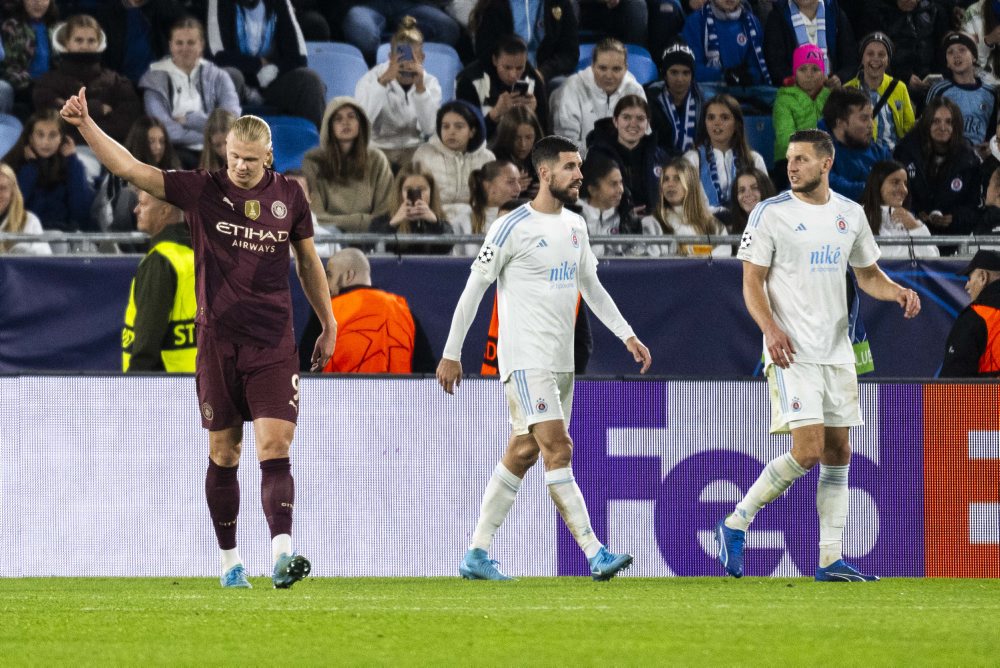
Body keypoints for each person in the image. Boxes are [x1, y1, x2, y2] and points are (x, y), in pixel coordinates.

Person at [60, 87, 338, 590]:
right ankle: (231, 561)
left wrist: (328, 320)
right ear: (224, 152)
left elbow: (308, 263)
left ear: (269, 157)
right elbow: (129, 168)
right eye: (234, 158)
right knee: (224, 453)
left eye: (251, 160)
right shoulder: (202, 189)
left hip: (273, 343)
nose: (242, 168)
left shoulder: (290, 197)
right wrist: (85, 127)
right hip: (216, 345)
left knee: (275, 444)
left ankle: (282, 554)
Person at [436, 135, 653, 581]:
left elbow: (590, 285)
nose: (579, 175)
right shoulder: (511, 227)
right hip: (524, 358)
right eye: (572, 168)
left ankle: (475, 554)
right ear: (546, 173)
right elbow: (473, 289)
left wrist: (627, 334)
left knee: (523, 451)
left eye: (579, 167)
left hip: (561, 359)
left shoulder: (575, 225)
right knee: (560, 447)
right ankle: (594, 552)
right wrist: (451, 353)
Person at [716, 128, 921, 582]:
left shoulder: (849, 214)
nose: (792, 166)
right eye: (790, 159)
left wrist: (897, 293)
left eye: (802, 159)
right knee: (807, 450)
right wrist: (770, 329)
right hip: (791, 351)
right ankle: (736, 521)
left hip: (837, 351)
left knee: (839, 450)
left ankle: (830, 559)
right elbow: (751, 282)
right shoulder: (770, 214)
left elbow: (867, 275)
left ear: (826, 164)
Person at [298, 247, 436, 373]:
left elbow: (304, 369)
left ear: (348, 276)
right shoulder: (403, 311)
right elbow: (426, 370)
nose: (326, 283)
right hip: (397, 397)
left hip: (339, 397)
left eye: (329, 276)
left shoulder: (328, 311)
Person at [204, 0, 326, 128]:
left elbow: (299, 58)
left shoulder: (281, 3)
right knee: (228, 76)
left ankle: (316, 145)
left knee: (309, 81)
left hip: (270, 81)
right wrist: (258, 64)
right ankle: (221, 145)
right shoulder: (218, 2)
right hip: (238, 82)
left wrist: (274, 69)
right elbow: (217, 56)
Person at [138, 16, 241, 167]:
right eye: (179, 43)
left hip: (218, 148)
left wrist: (190, 120)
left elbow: (231, 119)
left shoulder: (218, 76)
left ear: (201, 45)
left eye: (191, 43)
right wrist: (209, 136)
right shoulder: (153, 80)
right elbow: (164, 129)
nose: (185, 48)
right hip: (177, 150)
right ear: (171, 45)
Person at [33, 14, 141, 147]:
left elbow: (126, 123)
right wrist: (96, 109)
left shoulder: (117, 81)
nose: (85, 46)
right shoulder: (47, 82)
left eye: (91, 41)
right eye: (78, 40)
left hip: (111, 151)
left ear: (99, 43)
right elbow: (52, 122)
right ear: (66, 43)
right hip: (66, 149)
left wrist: (78, 118)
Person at [892, 96, 982, 249]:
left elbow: (974, 209)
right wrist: (915, 213)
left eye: (948, 122)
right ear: (927, 123)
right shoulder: (906, 152)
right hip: (909, 238)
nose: (942, 127)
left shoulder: (969, 160)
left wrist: (953, 218)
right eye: (936, 121)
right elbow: (893, 196)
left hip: (953, 241)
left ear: (957, 125)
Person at [121, 190, 196, 372]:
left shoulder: (161, 260)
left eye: (143, 204)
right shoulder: (198, 252)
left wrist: (134, 385)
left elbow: (148, 337)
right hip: (199, 381)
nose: (136, 210)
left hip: (164, 385)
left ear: (164, 211)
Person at [353, 16, 442, 168]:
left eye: (413, 58)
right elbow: (362, 123)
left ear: (422, 58)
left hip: (414, 149)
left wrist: (420, 90)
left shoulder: (430, 83)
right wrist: (382, 83)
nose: (407, 65)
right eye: (401, 57)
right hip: (377, 149)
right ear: (390, 57)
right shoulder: (370, 79)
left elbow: (429, 129)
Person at [302, 97, 393, 234]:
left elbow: (384, 214)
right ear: (329, 126)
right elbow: (316, 217)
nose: (345, 122)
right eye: (338, 119)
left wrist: (369, 225)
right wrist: (362, 221)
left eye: (351, 117)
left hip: (372, 236)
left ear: (360, 123)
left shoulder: (377, 159)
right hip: (329, 236)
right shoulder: (312, 161)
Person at [3, 108, 95, 234]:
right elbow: (11, 211)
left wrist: (73, 162)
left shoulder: (71, 166)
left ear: (62, 138)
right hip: (21, 235)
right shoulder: (12, 167)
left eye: (52, 135)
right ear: (30, 138)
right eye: (40, 135)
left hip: (61, 235)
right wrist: (31, 169)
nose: (45, 142)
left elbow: (81, 212)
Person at [551, 38, 646, 155]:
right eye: (602, 68)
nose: (609, 75)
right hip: (583, 166)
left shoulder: (635, 90)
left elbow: (644, 136)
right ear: (593, 66)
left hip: (625, 163)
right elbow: (565, 145)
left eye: (616, 69)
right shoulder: (572, 88)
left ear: (625, 69)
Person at [92, 115, 180, 239]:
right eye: (151, 142)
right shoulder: (118, 174)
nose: (158, 147)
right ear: (140, 143)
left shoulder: (172, 175)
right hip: (125, 242)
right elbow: (101, 212)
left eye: (162, 141)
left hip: (165, 240)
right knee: (126, 196)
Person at [411, 100, 496, 217]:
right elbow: (415, 195)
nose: (451, 132)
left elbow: (491, 199)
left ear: (472, 132)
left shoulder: (487, 158)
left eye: (459, 127)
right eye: (445, 127)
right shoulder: (424, 154)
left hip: (475, 220)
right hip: (434, 218)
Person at [683, 94, 768, 211]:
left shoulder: (754, 159)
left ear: (737, 124)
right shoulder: (691, 160)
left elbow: (765, 201)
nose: (716, 123)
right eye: (711, 118)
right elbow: (687, 205)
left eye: (724, 117)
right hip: (706, 226)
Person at [586, 95, 667, 216]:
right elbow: (589, 198)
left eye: (640, 118)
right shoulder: (597, 156)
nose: (633, 124)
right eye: (626, 117)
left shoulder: (660, 157)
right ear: (615, 121)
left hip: (655, 226)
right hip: (610, 227)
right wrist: (623, 215)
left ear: (647, 123)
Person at [456, 34, 549, 140]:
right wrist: (495, 114)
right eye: (507, 67)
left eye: (519, 68)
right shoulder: (468, 80)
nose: (513, 75)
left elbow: (545, 135)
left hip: (521, 148)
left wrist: (532, 115)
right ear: (495, 60)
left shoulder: (533, 78)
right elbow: (466, 139)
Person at [860, 0, 949, 102]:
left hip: (929, 85)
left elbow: (942, 52)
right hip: (890, 84)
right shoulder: (874, 12)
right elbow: (871, 56)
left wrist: (934, 78)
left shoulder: (934, 11)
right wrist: (904, 76)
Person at [470, 0, 580, 83]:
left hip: (546, 77)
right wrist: (512, 73)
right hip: (502, 79)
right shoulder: (493, 5)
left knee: (565, 87)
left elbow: (570, 52)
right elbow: (485, 53)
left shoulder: (558, 2)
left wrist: (543, 72)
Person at [643, 157, 731, 256]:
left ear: (690, 184)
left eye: (677, 179)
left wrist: (691, 252)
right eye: (666, 179)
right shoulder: (652, 222)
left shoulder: (713, 225)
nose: (670, 184)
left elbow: (723, 255)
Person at [843, 32, 915, 152]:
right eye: (870, 54)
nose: (875, 58)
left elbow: (910, 128)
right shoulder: (847, 90)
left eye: (881, 54)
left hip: (893, 157)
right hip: (859, 155)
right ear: (862, 58)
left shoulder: (899, 87)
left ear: (888, 60)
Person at [926, 32, 998, 150]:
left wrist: (988, 149)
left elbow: (992, 134)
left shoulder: (990, 93)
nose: (956, 55)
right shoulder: (939, 90)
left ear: (974, 57)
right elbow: (926, 128)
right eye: (950, 52)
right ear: (947, 62)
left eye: (962, 50)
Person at [764, 0, 858, 87]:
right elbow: (776, 66)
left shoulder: (834, 12)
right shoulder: (778, 16)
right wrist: (800, 82)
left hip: (832, 90)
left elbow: (850, 59)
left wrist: (839, 78)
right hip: (795, 93)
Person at [579, 150, 656, 256]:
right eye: (613, 184)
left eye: (621, 183)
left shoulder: (629, 220)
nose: (621, 190)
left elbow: (639, 256)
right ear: (593, 190)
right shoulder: (571, 218)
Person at [368, 162, 455, 254]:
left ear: (431, 191)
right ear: (400, 192)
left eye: (421, 189)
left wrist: (435, 223)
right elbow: (371, 247)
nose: (415, 195)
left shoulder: (441, 221)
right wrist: (392, 224)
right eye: (408, 190)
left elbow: (447, 247)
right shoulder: (382, 221)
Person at [681, 0, 772, 88]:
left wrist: (748, 76)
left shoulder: (752, 23)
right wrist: (724, 74)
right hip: (708, 93)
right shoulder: (696, 21)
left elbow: (757, 69)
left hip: (745, 92)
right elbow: (692, 69)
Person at [823, 86, 892, 201]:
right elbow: (832, 187)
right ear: (840, 123)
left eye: (871, 117)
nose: (871, 125)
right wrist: (875, 189)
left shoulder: (880, 153)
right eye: (864, 119)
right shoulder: (816, 155)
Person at [859, 160, 939, 258]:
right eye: (895, 182)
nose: (904, 190)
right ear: (877, 184)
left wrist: (916, 229)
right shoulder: (857, 217)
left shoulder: (913, 221)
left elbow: (933, 263)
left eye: (905, 183)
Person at [342, 0, 461, 65]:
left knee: (448, 29)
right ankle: (380, 67)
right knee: (363, 33)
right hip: (366, 5)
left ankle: (416, 65)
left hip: (410, 5)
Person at [773, 45, 831, 176]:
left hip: (825, 161)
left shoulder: (831, 97)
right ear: (795, 73)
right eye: (803, 69)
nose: (809, 75)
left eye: (815, 69)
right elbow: (785, 140)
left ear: (824, 74)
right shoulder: (784, 100)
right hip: (788, 162)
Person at [940, 249, 1000, 376]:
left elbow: (953, 382)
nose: (967, 285)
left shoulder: (976, 317)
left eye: (969, 278)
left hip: (990, 395)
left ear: (983, 277)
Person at [0, 0, 59, 119]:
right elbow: (10, 67)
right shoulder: (12, 26)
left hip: (50, 83)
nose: (37, 3)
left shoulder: (55, 27)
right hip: (24, 85)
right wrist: (35, 85)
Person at [645, 41, 705, 158]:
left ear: (692, 76)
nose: (680, 79)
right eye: (674, 72)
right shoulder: (648, 100)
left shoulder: (703, 101)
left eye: (686, 73)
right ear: (664, 74)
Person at [453, 159, 522, 256]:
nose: (518, 188)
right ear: (488, 186)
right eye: (510, 182)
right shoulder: (463, 220)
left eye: (519, 182)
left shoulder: (527, 217)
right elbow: (457, 262)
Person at [490, 106, 542, 198]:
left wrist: (549, 194)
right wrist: (508, 191)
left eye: (528, 137)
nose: (523, 145)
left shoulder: (543, 156)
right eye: (516, 138)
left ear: (536, 136)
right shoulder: (493, 159)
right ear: (506, 136)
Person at [0, 160, 50, 255]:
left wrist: (24, 253)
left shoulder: (29, 221)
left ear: (13, 193)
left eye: (2, 188)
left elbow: (44, 261)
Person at [716, 166, 776, 239]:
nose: (747, 194)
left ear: (766, 190)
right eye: (742, 190)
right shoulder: (730, 227)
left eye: (754, 188)